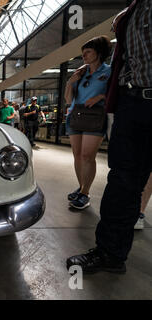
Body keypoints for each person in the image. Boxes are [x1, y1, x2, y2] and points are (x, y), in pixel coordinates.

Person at [67, 1, 152, 274]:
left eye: (88, 51)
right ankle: (110, 253)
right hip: (132, 100)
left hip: (108, 113)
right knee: (122, 180)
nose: (84, 55)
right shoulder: (132, 12)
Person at [64, 36, 112, 210]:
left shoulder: (109, 72)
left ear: (98, 53)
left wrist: (100, 96)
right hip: (75, 115)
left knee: (87, 156)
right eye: (83, 52)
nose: (83, 55)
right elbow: (69, 100)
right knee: (77, 155)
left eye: (88, 51)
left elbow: (117, 94)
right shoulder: (81, 73)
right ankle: (82, 187)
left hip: (95, 116)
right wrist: (71, 82)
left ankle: (85, 193)